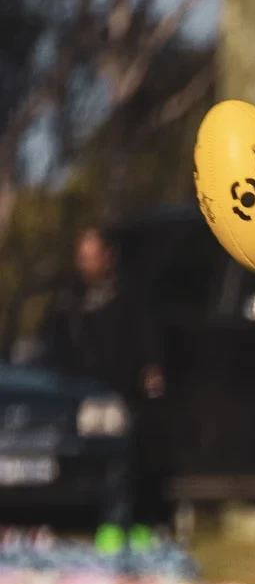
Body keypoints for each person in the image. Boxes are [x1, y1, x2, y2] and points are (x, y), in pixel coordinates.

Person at [36, 226, 166, 527]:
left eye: (92, 256)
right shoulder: (67, 300)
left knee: (119, 467)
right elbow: (51, 344)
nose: (86, 264)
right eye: (82, 257)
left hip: (118, 396)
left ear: (109, 257)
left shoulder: (130, 297)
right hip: (74, 398)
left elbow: (147, 342)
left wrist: (152, 371)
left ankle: (119, 525)